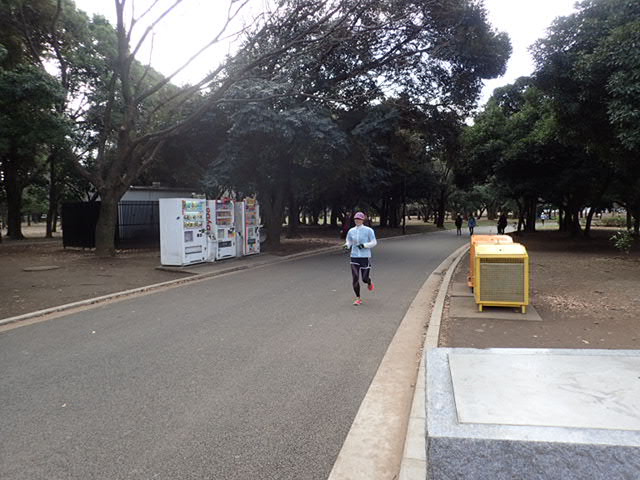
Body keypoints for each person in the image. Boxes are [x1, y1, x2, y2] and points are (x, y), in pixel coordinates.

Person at [344, 211, 377, 306]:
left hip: (364, 257)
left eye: (359, 219)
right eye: (356, 219)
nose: (357, 220)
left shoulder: (368, 230)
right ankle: (358, 298)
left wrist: (364, 245)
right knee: (355, 278)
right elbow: (349, 241)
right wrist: (346, 245)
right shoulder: (351, 231)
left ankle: (369, 282)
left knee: (364, 279)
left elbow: (374, 242)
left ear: (363, 220)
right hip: (354, 257)